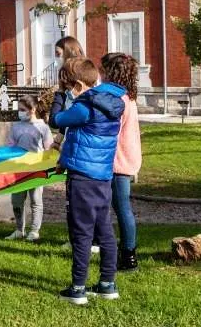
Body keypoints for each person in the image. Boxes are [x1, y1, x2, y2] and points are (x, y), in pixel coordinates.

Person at [52, 57, 126, 305]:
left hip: (82, 179)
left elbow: (56, 120)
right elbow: (81, 138)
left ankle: (77, 289)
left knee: (81, 234)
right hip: (102, 177)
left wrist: (60, 96)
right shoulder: (112, 103)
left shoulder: (85, 106)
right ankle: (107, 284)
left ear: (79, 85)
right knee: (104, 231)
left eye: (70, 86)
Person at [100, 53, 142, 272]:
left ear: (111, 72)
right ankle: (123, 251)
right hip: (127, 157)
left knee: (122, 207)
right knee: (119, 206)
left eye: (103, 69)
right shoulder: (129, 97)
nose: (100, 73)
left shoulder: (117, 101)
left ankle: (128, 255)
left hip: (118, 160)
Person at [4, 95, 54, 242]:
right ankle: (19, 230)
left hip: (36, 171)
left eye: (22, 109)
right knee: (17, 201)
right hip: (19, 170)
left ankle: (34, 231)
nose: (19, 112)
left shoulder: (43, 127)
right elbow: (10, 147)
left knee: (36, 201)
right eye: (18, 109)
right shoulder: (16, 127)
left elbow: (48, 149)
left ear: (32, 110)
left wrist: (46, 165)